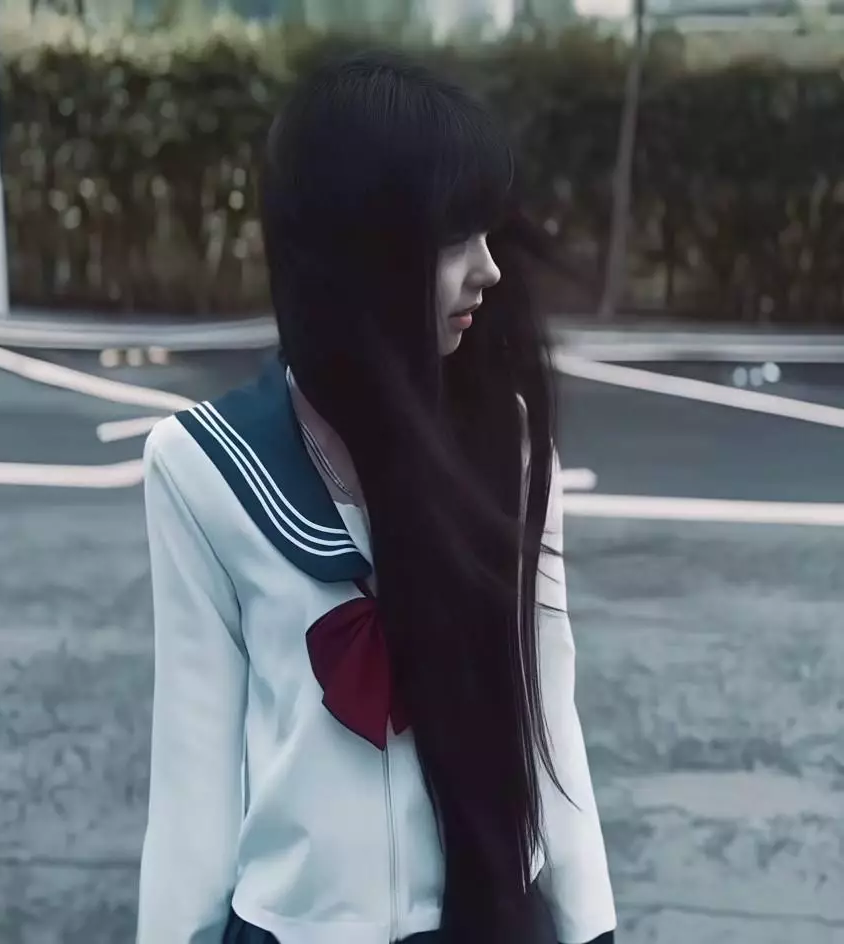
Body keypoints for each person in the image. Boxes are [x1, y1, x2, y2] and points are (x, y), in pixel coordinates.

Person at [136, 50, 616, 944]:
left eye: (488, 233)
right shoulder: (201, 467)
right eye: (453, 237)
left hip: (488, 920)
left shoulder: (504, 442)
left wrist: (592, 928)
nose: (489, 270)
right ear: (358, 251)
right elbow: (192, 774)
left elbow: (549, 711)